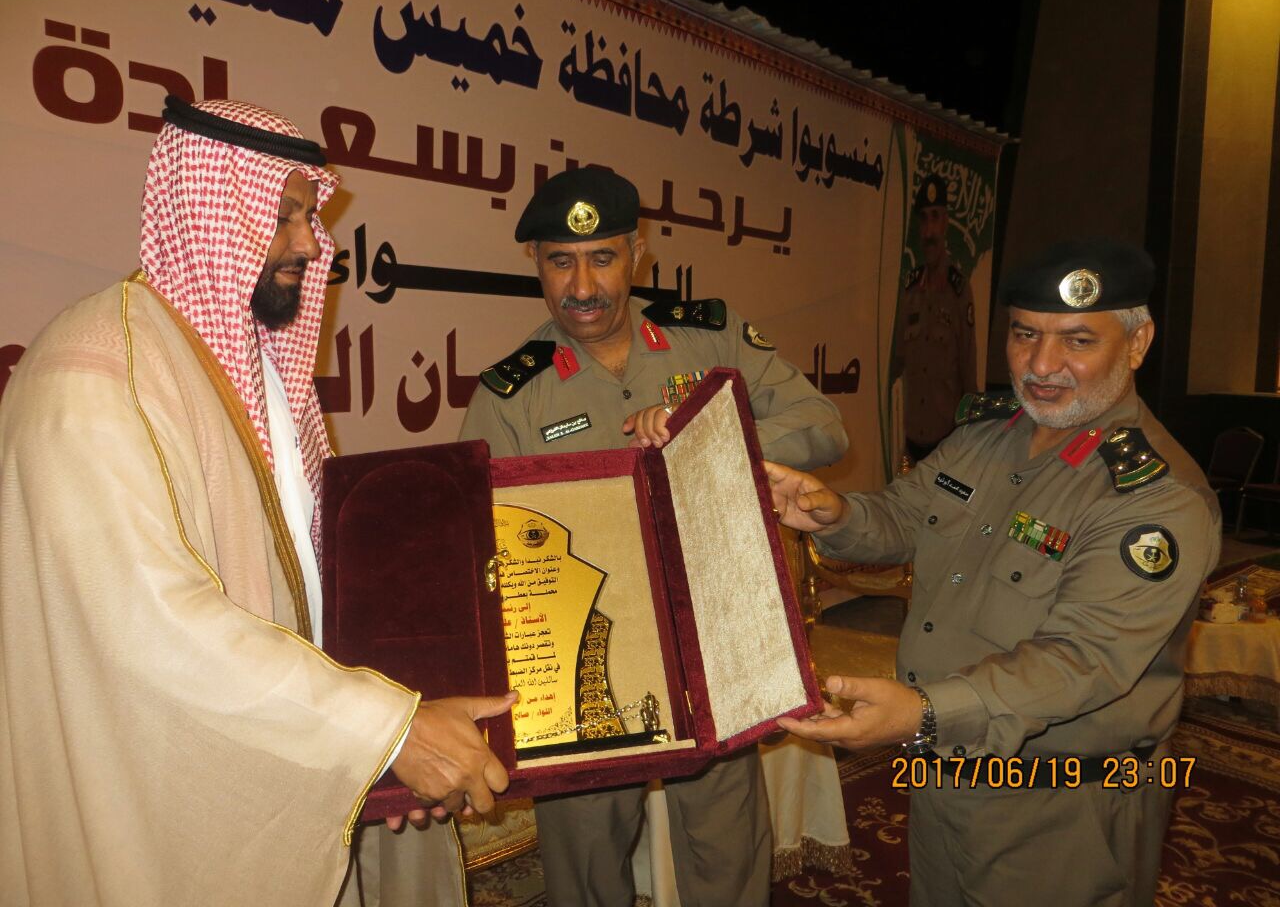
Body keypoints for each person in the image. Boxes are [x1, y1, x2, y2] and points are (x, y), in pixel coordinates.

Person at [0, 97, 514, 907]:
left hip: (292, 757)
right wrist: (385, 733)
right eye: (284, 217)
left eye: (309, 217)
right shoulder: (95, 376)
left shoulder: (257, 363)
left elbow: (320, 582)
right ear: (206, 213)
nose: (311, 244)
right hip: (164, 812)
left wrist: (382, 742)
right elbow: (154, 631)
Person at [770, 238, 1220, 907]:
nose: (1041, 365)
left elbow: (1083, 659)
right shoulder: (987, 435)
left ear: (1136, 342)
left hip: (1059, 805)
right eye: (1024, 334)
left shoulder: (1154, 497)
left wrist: (925, 713)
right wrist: (832, 511)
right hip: (947, 764)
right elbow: (904, 514)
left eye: (1077, 341)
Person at [460, 167, 848, 906]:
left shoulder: (708, 336)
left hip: (711, 634)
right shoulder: (512, 393)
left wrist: (706, 435)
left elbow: (825, 427)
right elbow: (484, 545)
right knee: (587, 857)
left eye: (602, 258)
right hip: (586, 652)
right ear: (534, 262)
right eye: (560, 261)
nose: (582, 286)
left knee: (727, 849)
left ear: (638, 254)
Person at [894, 173, 978, 461]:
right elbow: (898, 361)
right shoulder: (910, 290)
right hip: (912, 439)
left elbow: (968, 369)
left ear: (945, 223)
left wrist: (969, 435)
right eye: (924, 219)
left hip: (946, 439)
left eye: (935, 218)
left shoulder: (959, 290)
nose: (929, 230)